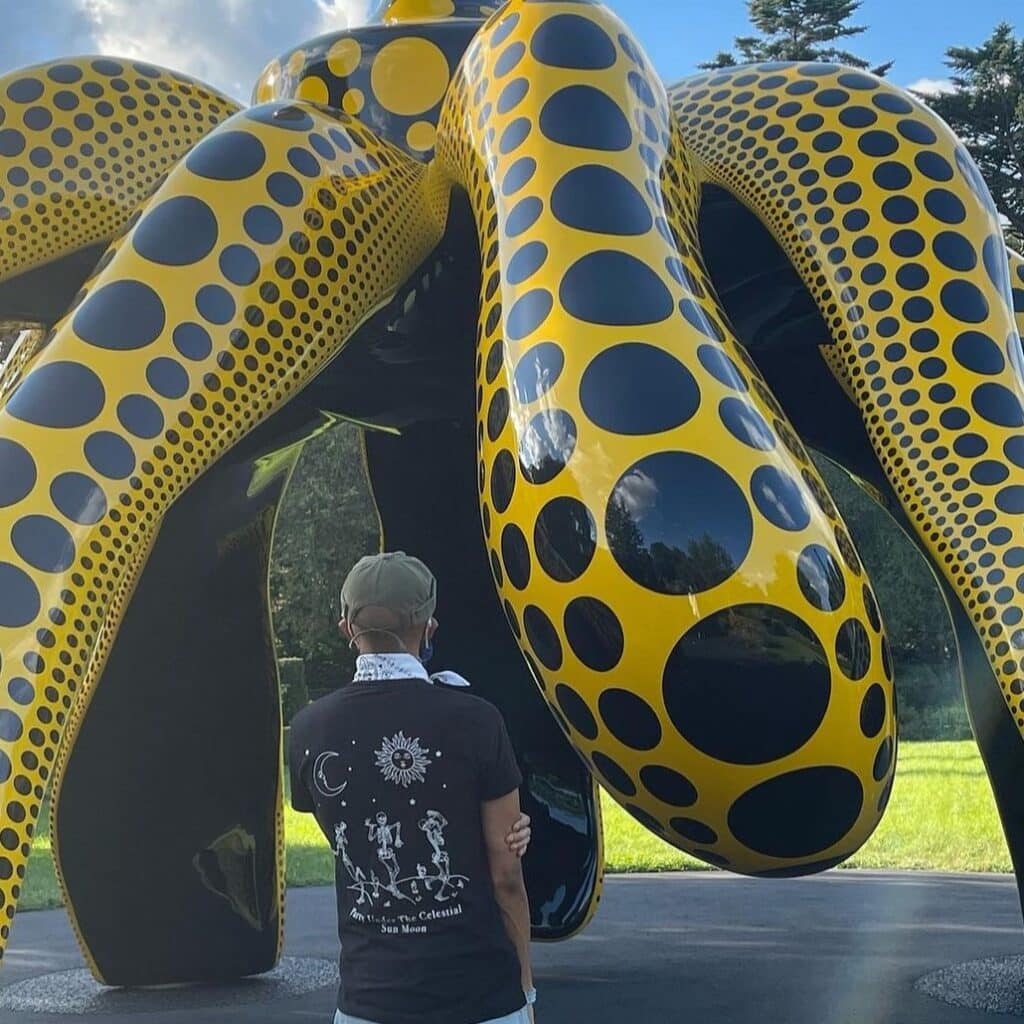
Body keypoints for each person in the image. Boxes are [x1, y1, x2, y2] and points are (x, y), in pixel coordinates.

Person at [289, 551, 537, 1024]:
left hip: (370, 1001)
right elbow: (506, 878)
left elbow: (344, 837)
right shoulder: (477, 721)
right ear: (429, 628)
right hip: (479, 998)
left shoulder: (308, 730)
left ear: (346, 628)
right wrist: (525, 987)